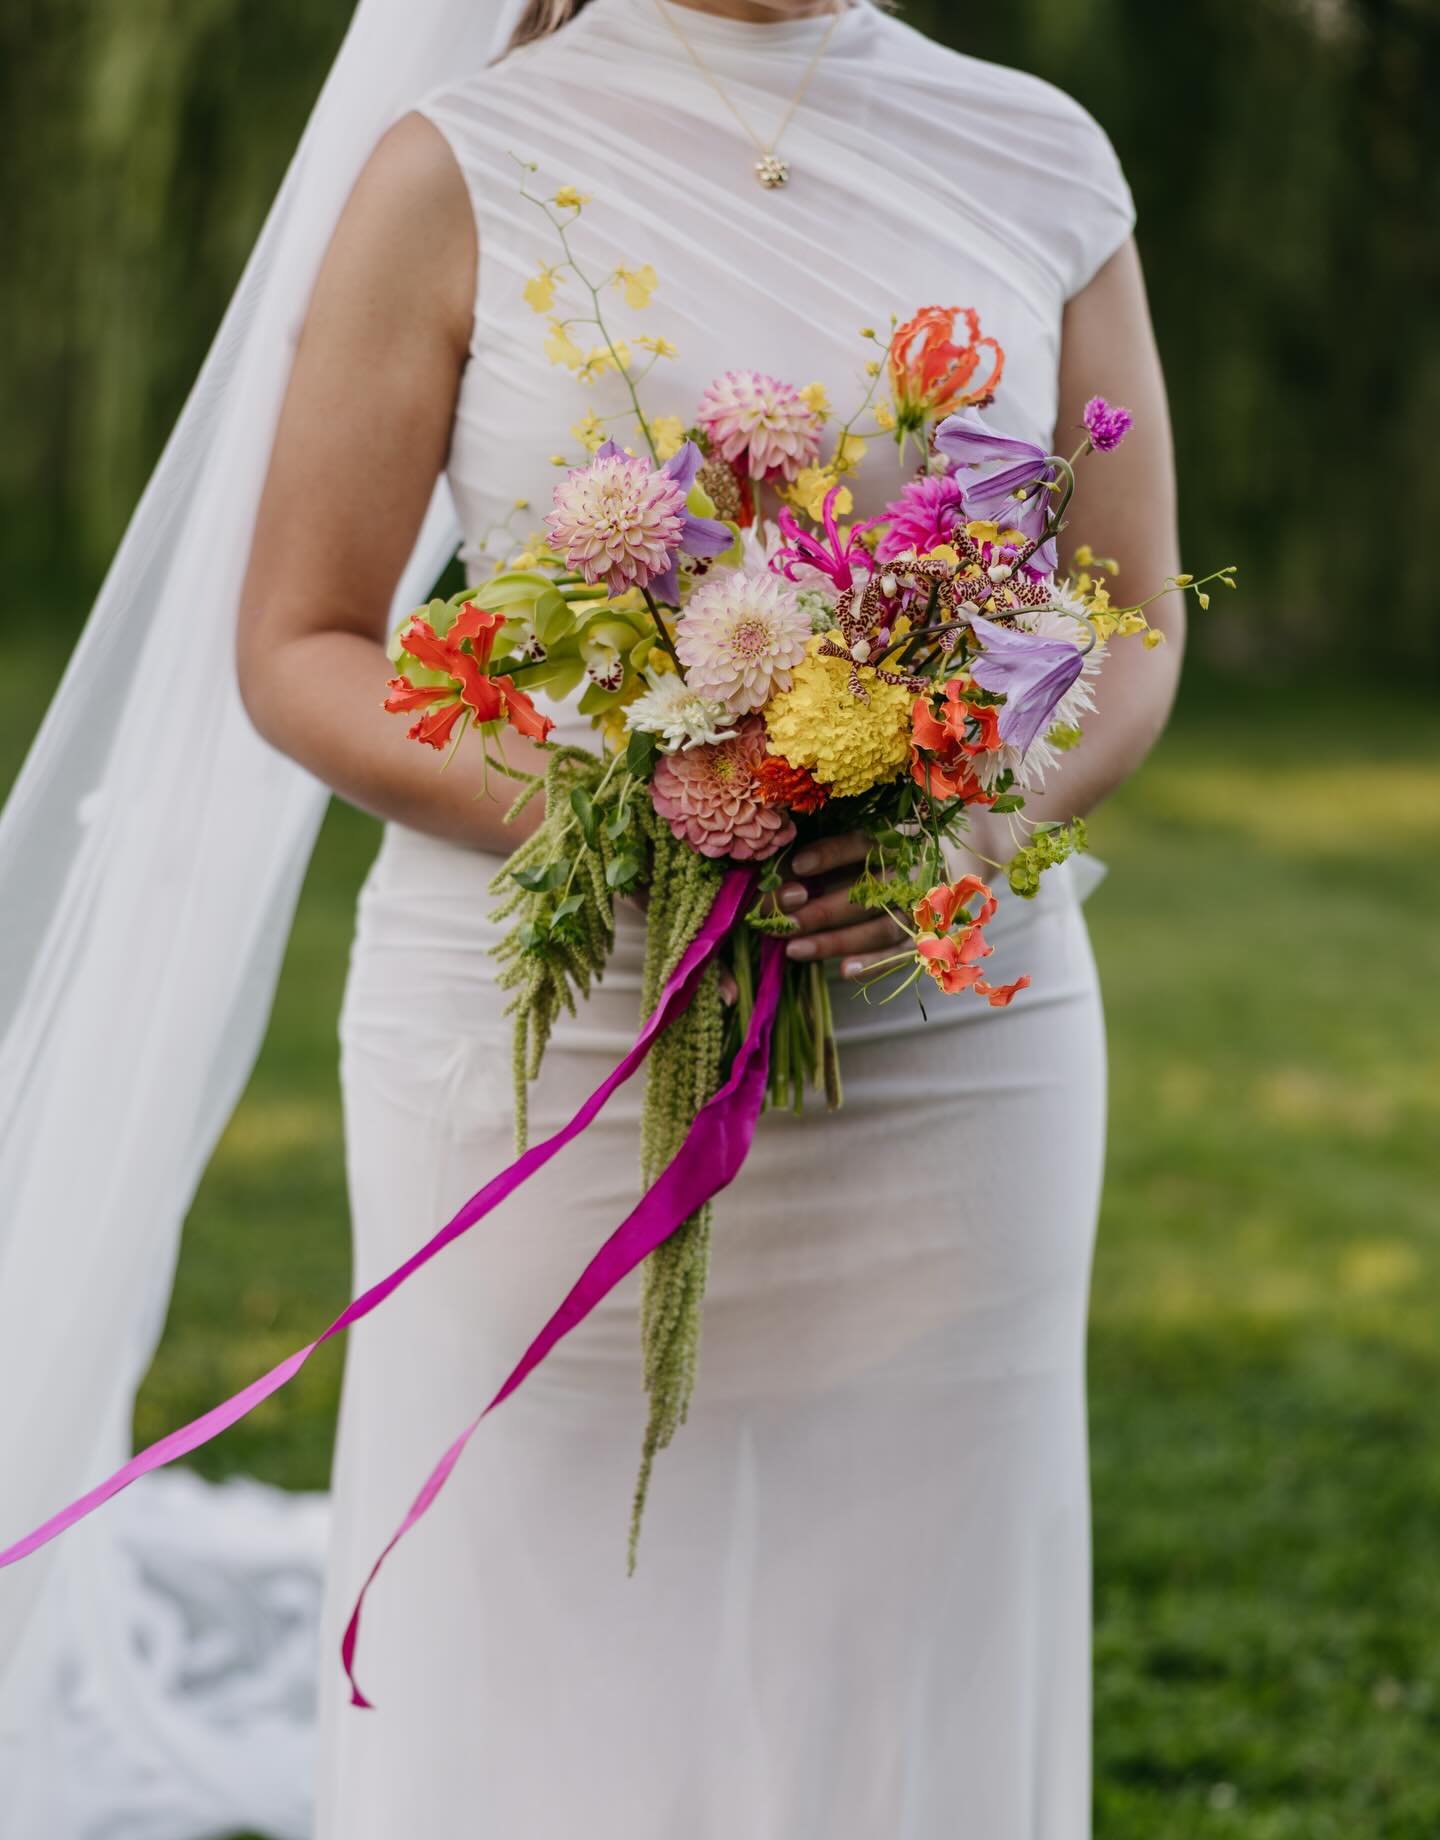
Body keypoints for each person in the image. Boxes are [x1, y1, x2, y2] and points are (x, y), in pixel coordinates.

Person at [44, 0, 1181, 1832]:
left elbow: (1131, 620)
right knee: (538, 1609)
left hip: (950, 1047)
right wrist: (633, 813)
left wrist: (972, 823)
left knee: (912, 1605)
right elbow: (303, 641)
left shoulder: (1042, 152)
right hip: (553, 1034)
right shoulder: (461, 165)